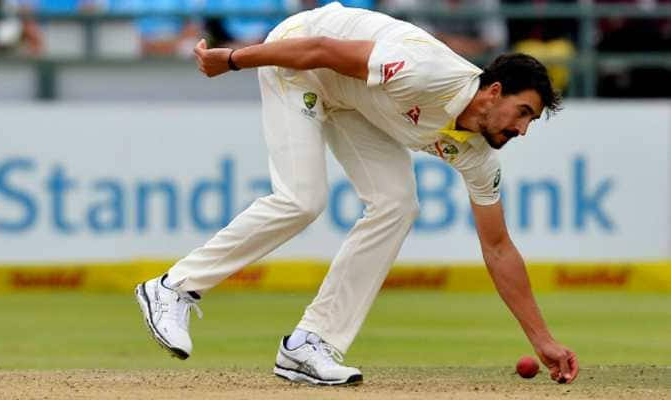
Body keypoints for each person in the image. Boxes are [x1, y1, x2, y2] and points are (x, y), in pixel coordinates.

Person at [135, 1, 580, 386]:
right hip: (300, 60)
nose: (522, 129)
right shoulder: (427, 73)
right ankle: (173, 288)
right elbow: (322, 50)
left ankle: (311, 343)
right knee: (302, 199)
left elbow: (498, 248)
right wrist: (231, 59)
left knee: (397, 204)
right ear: (494, 92)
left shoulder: (479, 155)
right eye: (522, 113)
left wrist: (543, 340)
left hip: (353, 100)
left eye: (530, 122)